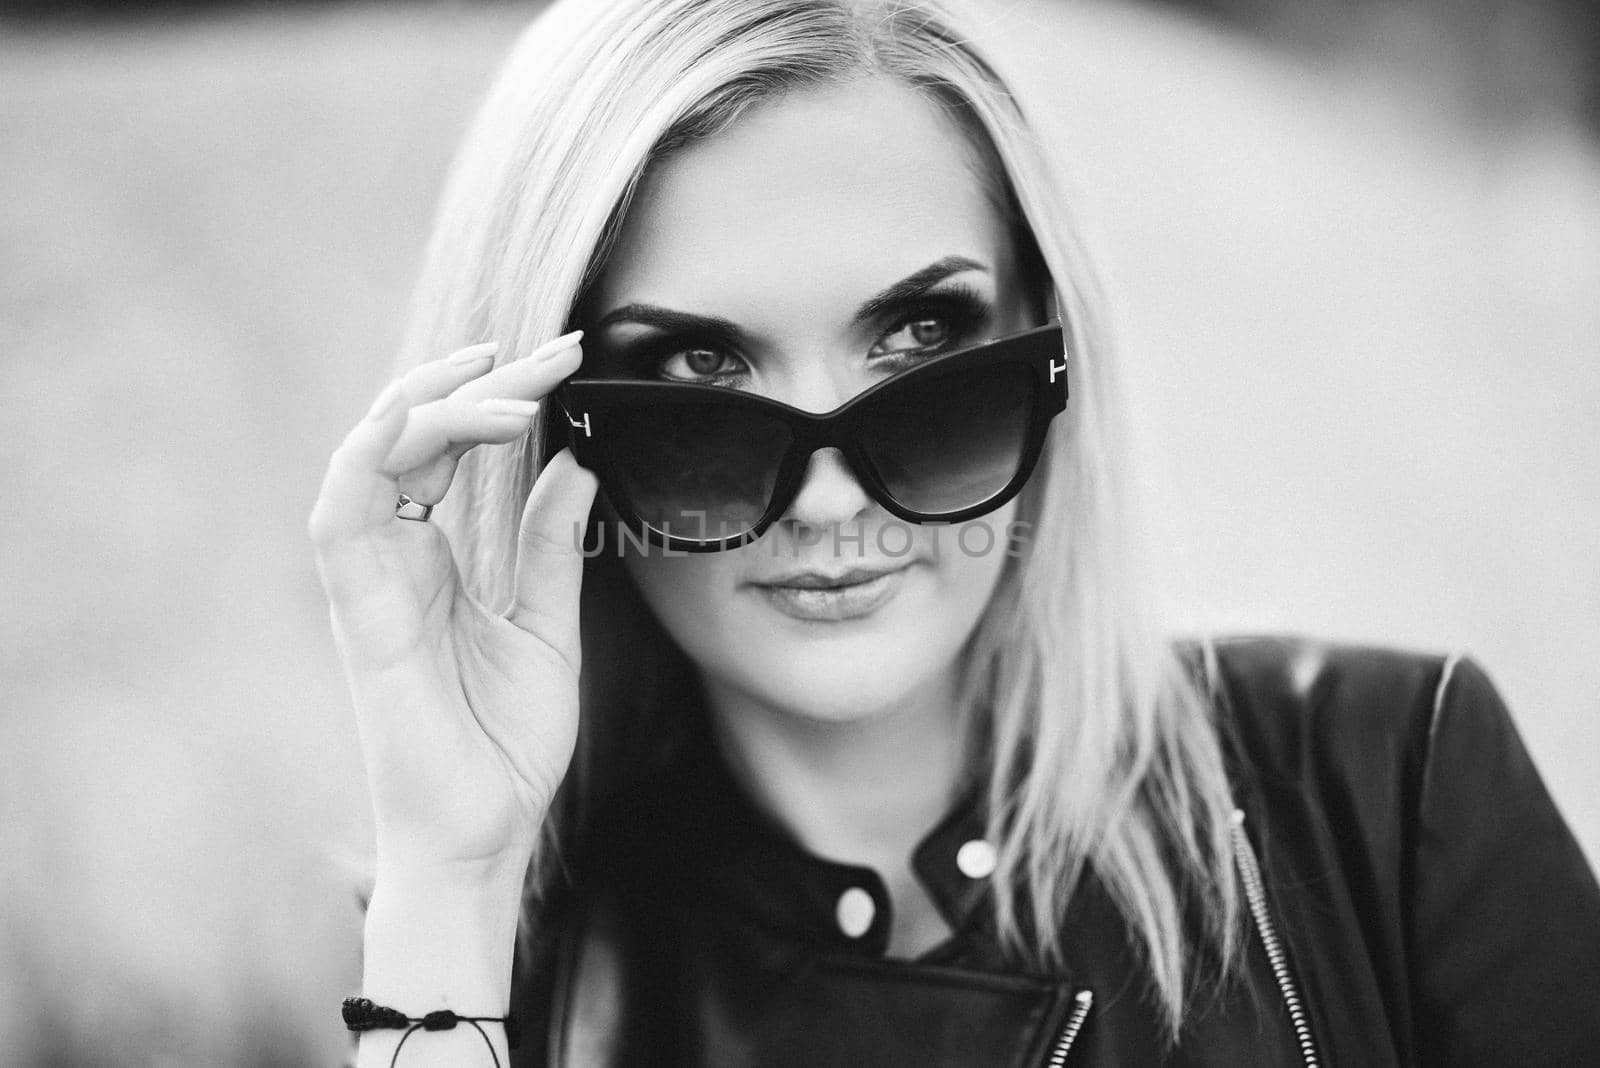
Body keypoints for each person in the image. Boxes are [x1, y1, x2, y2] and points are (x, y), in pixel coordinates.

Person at [308, 0, 1600, 1064]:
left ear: (1049, 343)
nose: (830, 500)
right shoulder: (486, 952)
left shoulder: (1382, 788)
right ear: (549, 429)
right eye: (700, 376)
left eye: (923, 345)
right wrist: (457, 875)